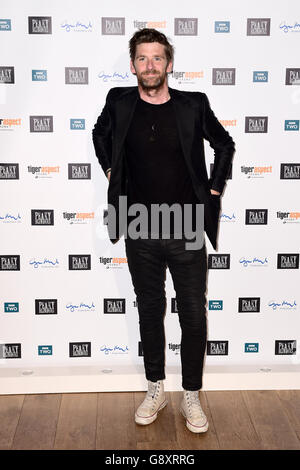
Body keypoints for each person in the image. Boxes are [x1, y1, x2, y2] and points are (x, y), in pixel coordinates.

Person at [92, 28, 235, 433]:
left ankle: (190, 393)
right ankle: (155, 387)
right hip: (139, 222)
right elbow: (99, 134)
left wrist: (213, 188)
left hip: (187, 221)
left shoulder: (193, 105)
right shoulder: (118, 102)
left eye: (157, 58)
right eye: (142, 58)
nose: (150, 66)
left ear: (169, 64)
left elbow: (224, 144)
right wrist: (109, 170)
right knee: (150, 310)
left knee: (192, 312)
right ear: (133, 64)